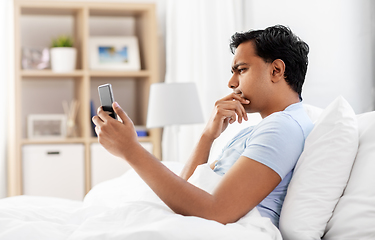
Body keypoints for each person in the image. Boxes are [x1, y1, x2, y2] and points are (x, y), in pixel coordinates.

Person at [92, 25, 314, 228]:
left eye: (242, 69)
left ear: (276, 70)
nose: (231, 82)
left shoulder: (282, 128)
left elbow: (217, 211)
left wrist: (131, 150)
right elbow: (182, 192)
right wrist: (208, 136)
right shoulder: (260, 129)